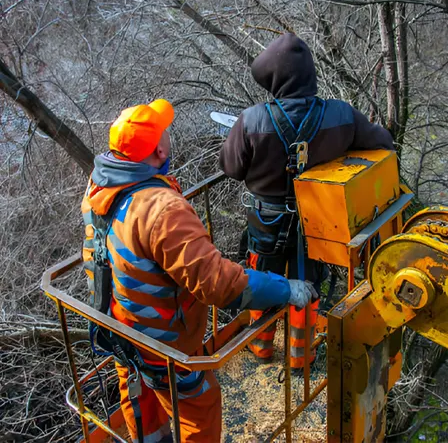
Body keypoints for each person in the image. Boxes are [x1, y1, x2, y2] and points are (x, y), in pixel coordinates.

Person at [81, 99, 317, 443]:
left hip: (121, 329)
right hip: (164, 344)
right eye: (165, 131)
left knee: (139, 398)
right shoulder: (161, 210)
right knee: (199, 407)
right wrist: (286, 289)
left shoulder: (99, 190)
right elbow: (219, 284)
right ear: (160, 148)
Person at [219, 33, 394, 370]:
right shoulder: (340, 114)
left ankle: (262, 348)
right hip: (318, 225)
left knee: (263, 284)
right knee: (307, 287)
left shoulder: (252, 120)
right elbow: (382, 141)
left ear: (274, 80)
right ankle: (301, 359)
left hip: (267, 224)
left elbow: (230, 167)